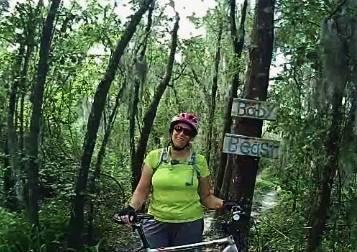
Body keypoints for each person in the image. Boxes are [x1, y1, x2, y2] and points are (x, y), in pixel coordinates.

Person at [117, 112, 224, 249]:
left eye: (187, 131)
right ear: (171, 131)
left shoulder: (199, 161)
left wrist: (226, 204)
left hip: (189, 225)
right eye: (178, 129)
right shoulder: (154, 157)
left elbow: (206, 197)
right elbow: (142, 190)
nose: (181, 134)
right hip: (156, 223)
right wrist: (131, 208)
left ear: (190, 137)